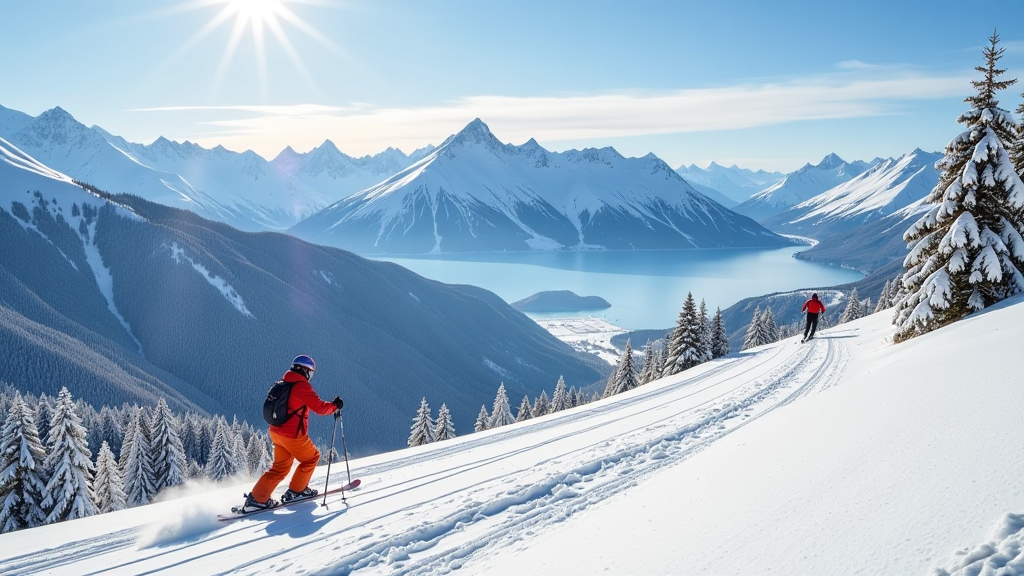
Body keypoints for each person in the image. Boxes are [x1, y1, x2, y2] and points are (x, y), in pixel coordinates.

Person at [242, 355, 343, 511]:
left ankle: (257, 499)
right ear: (305, 370)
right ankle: (297, 491)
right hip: (292, 435)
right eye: (311, 372)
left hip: (276, 432)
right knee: (312, 458)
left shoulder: (282, 383)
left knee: (280, 468)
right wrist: (335, 406)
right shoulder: (302, 387)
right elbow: (320, 408)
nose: (310, 376)